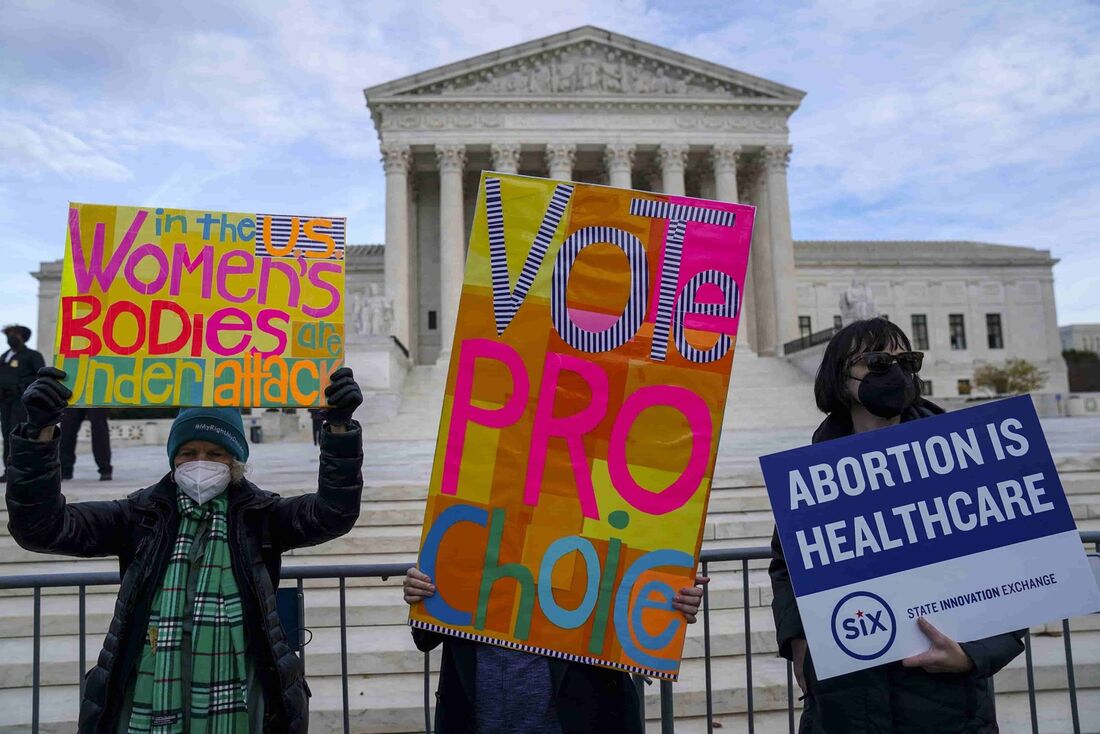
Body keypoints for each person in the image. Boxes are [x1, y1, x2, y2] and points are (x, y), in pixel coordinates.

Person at [5, 366, 365, 733]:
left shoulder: (264, 516)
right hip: (145, 688)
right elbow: (41, 527)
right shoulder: (137, 515)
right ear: (173, 458)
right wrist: (38, 435)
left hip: (245, 693)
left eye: (215, 453)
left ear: (236, 461)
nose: (200, 462)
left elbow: (333, 513)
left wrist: (338, 432)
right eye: (189, 452)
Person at [768, 318, 1024, 733]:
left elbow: (1018, 566)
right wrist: (798, 644)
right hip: (845, 703)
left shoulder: (965, 461)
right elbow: (787, 566)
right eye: (877, 362)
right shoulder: (811, 477)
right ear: (840, 376)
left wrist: (973, 654)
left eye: (907, 361)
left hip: (947, 705)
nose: (897, 372)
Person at [403, 567, 709, 732]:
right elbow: (425, 638)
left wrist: (670, 594)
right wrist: (422, 595)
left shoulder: (587, 536)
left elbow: (637, 604)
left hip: (575, 720)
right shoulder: (469, 540)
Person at [0, 324, 45, 481]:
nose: (11, 337)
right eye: (9, 334)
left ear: (23, 337)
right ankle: (9, 469)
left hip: (22, 401)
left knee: (20, 434)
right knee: (7, 435)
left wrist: (19, 385)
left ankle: (24, 470)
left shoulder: (32, 355)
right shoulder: (5, 357)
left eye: (15, 334)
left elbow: (40, 376)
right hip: (5, 402)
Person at [59, 407, 113, 481]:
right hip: (74, 396)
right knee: (67, 428)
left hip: (96, 396)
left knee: (99, 428)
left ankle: (105, 468)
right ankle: (64, 470)